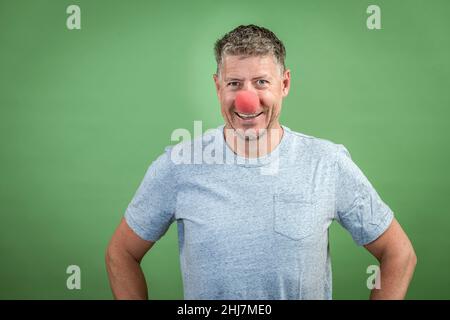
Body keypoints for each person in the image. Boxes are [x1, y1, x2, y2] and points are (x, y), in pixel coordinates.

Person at [105, 24, 416, 300]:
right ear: (217, 87)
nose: (247, 99)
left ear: (284, 84)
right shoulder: (178, 165)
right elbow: (121, 253)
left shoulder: (327, 162)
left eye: (261, 82)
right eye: (234, 84)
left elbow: (398, 253)